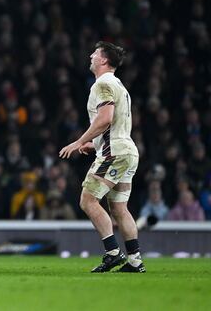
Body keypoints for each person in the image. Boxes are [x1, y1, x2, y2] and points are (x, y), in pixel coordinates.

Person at [59, 41, 145, 273]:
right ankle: (135, 260)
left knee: (87, 200)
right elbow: (116, 122)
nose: (90, 56)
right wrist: (94, 143)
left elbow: (106, 117)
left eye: (95, 53)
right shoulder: (119, 85)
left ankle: (113, 253)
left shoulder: (103, 83)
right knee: (119, 208)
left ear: (104, 60)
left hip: (115, 153)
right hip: (127, 150)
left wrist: (79, 141)